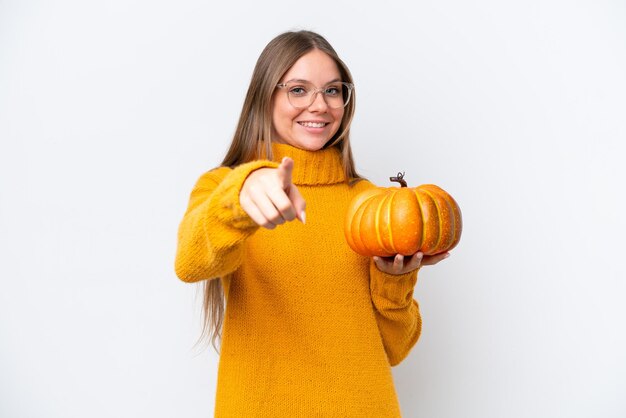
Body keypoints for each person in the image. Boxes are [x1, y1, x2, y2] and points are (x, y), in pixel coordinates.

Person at [175, 30, 449, 417]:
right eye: (299, 90)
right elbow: (190, 263)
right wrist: (243, 192)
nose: (319, 105)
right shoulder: (225, 187)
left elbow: (395, 349)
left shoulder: (370, 205)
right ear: (264, 97)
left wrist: (394, 281)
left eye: (333, 91)